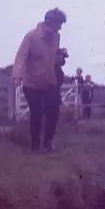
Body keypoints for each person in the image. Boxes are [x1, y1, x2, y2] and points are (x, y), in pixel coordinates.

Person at [12, 8, 66, 152]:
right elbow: (21, 56)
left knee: (53, 111)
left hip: (50, 81)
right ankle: (36, 145)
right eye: (59, 24)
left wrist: (60, 56)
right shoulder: (31, 37)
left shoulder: (56, 37)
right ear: (50, 22)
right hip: (32, 83)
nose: (60, 27)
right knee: (36, 113)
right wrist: (17, 76)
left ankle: (48, 142)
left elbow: (53, 57)